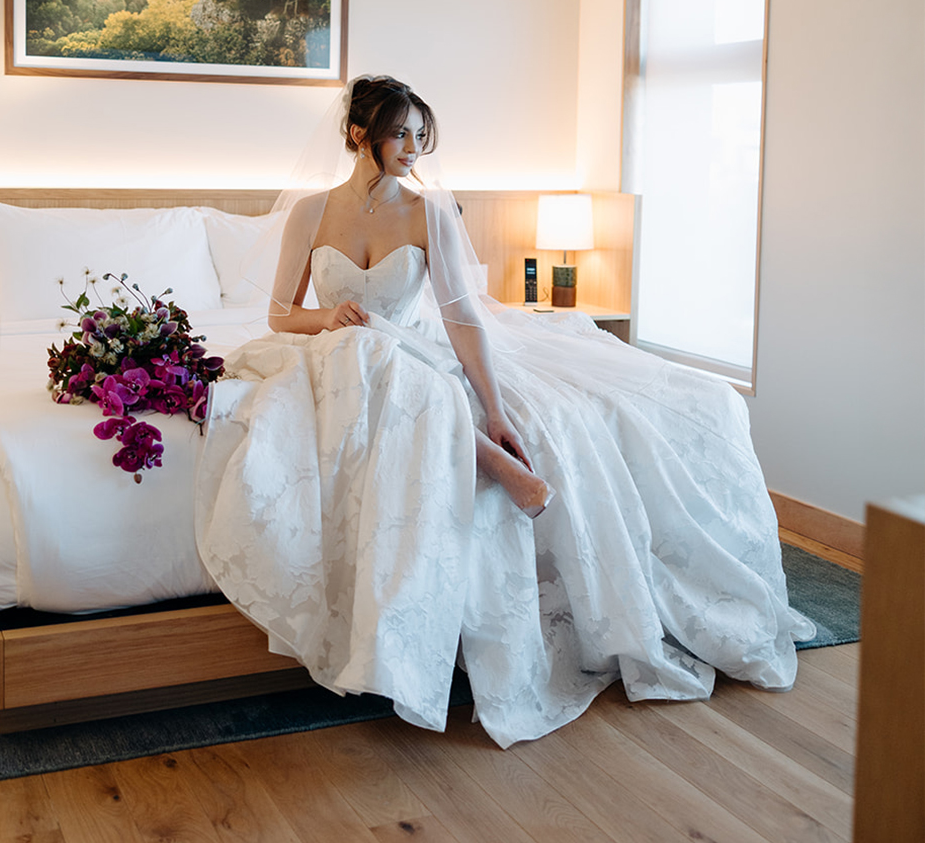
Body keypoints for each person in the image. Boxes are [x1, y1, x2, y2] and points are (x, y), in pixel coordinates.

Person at [196, 75, 815, 749]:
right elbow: (279, 314)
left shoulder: (430, 212)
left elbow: (462, 318)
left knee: (407, 370)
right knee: (371, 356)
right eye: (399, 134)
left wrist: (494, 407)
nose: (412, 148)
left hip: (406, 349)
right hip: (333, 350)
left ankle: (485, 446)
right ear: (358, 135)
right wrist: (328, 315)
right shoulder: (311, 213)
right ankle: (495, 469)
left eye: (418, 135)